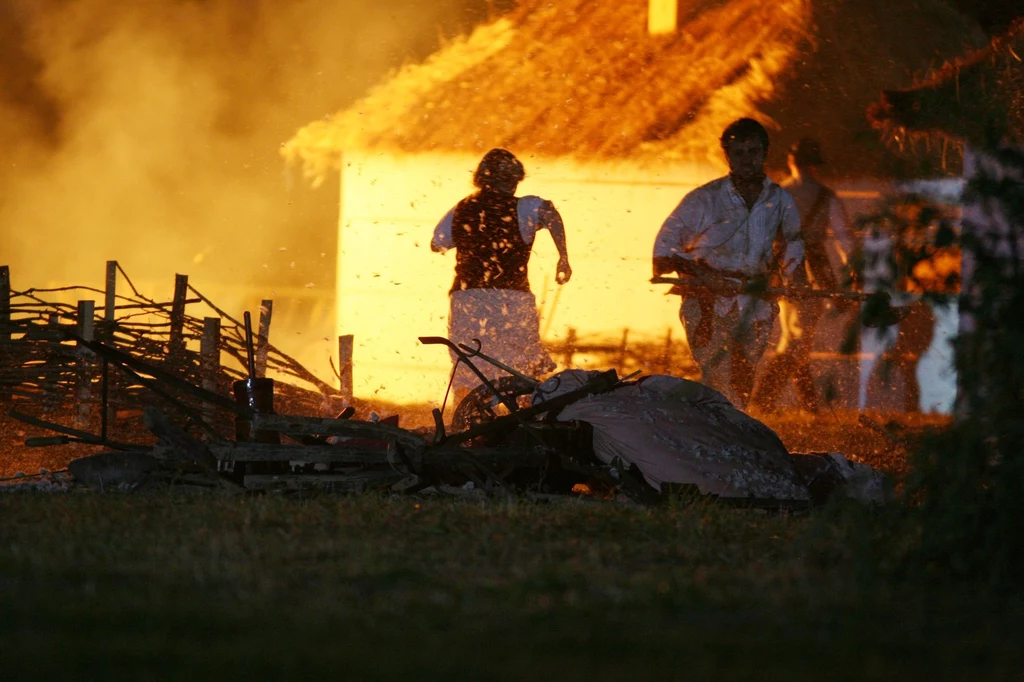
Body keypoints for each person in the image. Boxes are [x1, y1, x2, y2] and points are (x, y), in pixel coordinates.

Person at [653, 118, 804, 408]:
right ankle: (714, 434)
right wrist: (702, 274)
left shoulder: (780, 200)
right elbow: (665, 245)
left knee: (744, 375)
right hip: (707, 301)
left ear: (764, 153)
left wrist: (795, 281)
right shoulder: (704, 199)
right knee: (718, 373)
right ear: (727, 156)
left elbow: (793, 244)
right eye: (739, 153)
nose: (747, 160)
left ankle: (727, 433)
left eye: (753, 152)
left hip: (756, 300)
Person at [431, 148, 572, 399]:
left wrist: (472, 235)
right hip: (511, 297)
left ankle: (467, 423)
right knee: (520, 364)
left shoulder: (463, 207)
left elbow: (438, 244)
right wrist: (563, 256)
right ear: (511, 180)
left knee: (468, 365)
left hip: (467, 297)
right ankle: (522, 419)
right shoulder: (525, 206)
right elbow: (550, 213)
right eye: (514, 180)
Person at [751, 138, 857, 413]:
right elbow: (845, 240)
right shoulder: (825, 196)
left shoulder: (775, 195)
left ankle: (810, 406)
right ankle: (763, 399)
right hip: (810, 272)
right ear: (814, 165)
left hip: (781, 271)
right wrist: (853, 271)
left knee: (795, 337)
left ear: (791, 162)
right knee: (798, 340)